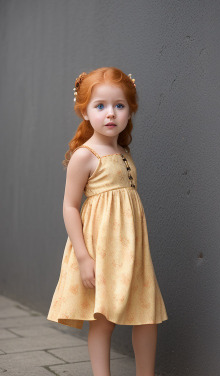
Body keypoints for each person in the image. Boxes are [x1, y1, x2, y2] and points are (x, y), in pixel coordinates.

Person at [47, 66, 168, 376]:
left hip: (133, 251)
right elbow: (70, 206)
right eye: (100, 106)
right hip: (102, 250)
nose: (110, 113)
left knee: (147, 315)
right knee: (104, 319)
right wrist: (84, 257)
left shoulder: (124, 152)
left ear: (130, 111)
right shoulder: (86, 156)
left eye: (119, 105)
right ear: (85, 112)